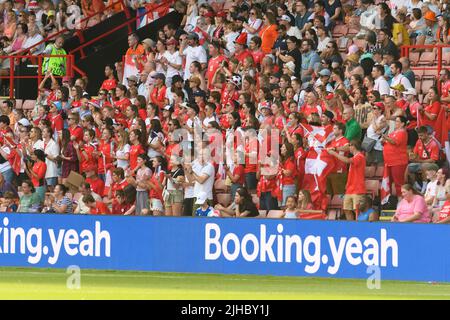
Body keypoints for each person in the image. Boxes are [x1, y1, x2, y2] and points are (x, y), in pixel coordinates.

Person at [328, 140, 366, 220]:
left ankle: (359, 228)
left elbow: (347, 161)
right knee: (346, 209)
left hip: (358, 188)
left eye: (349, 146)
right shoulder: (356, 156)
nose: (348, 148)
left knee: (357, 210)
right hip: (350, 188)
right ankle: (351, 227)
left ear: (353, 146)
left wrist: (334, 154)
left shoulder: (360, 156)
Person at [382, 116, 409, 198]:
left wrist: (385, 137)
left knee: (398, 183)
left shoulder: (402, 132)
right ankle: (388, 201)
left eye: (397, 121)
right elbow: (388, 142)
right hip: (389, 162)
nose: (395, 123)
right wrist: (383, 141)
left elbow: (394, 142)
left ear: (402, 123)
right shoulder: (393, 132)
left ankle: (401, 201)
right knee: (388, 183)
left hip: (398, 161)